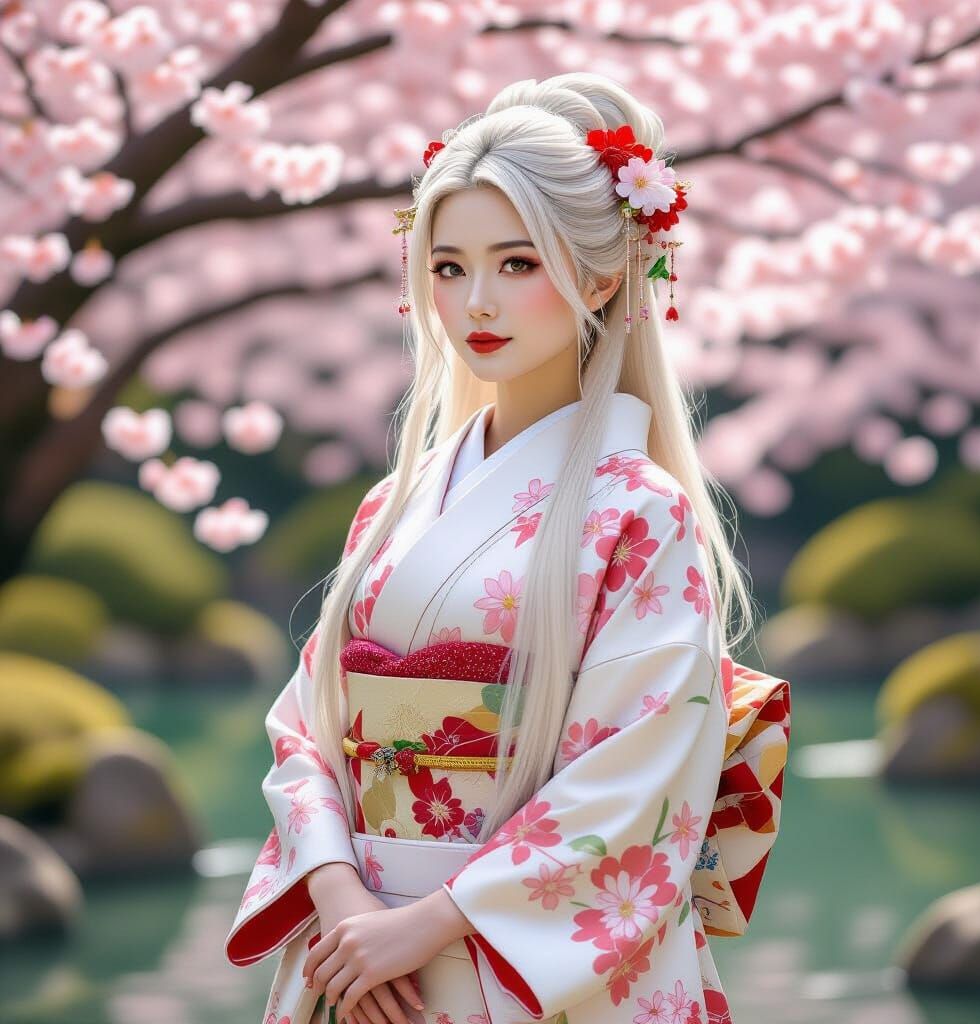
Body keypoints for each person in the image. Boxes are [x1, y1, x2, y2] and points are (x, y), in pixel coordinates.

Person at [223, 72, 791, 1024]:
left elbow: (636, 771)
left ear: (603, 278)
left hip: (512, 962)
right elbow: (307, 728)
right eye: (448, 268)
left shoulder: (637, 512)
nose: (475, 301)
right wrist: (341, 897)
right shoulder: (391, 504)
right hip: (357, 953)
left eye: (518, 264)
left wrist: (434, 920)